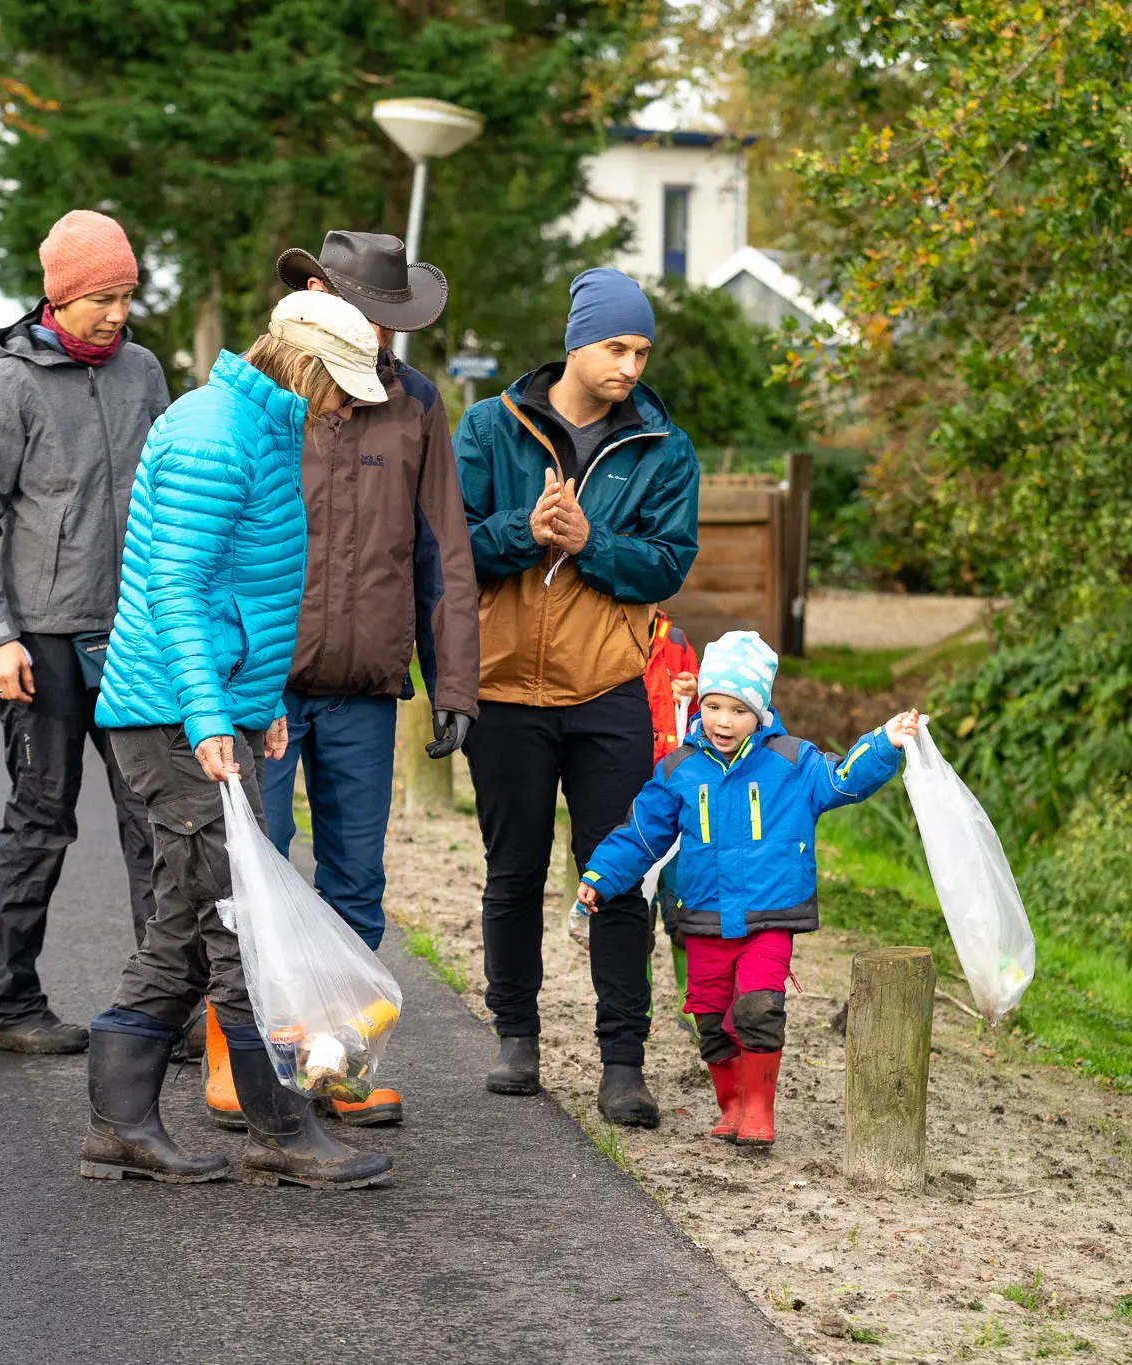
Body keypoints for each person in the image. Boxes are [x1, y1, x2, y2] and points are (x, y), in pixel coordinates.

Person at [81, 291, 394, 1190]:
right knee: (237, 923)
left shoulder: (259, 426)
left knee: (191, 918)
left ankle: (122, 1123)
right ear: (305, 365)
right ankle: (281, 1129)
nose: (348, 408)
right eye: (343, 386)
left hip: (208, 707)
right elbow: (176, 589)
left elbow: (239, 589)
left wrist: (255, 700)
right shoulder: (213, 432)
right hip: (172, 717)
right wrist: (212, 713)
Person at [196, 232, 479, 1134]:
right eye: (374, 317)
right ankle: (244, 1056)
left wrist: (455, 684)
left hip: (363, 681)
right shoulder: (257, 393)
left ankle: (342, 1058)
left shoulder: (417, 403)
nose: (386, 337)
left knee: (357, 876)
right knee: (254, 868)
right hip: (260, 689)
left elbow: (443, 552)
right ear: (318, 296)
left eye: (397, 322)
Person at [455, 267, 701, 1125]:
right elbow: (449, 549)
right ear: (576, 341)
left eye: (642, 350)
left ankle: (621, 1063)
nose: (631, 365)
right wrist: (525, 532)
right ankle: (515, 1038)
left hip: (607, 691)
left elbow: (669, 562)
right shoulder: (490, 427)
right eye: (616, 347)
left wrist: (591, 541)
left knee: (620, 877)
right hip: (505, 690)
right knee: (514, 871)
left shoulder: (664, 448)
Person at [0, 210, 169, 1054]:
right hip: (42, 642)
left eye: (126, 297)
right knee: (42, 818)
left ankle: (163, 1003)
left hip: (136, 634)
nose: (116, 315)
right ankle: (4, 1003)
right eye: (101, 299)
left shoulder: (143, 372)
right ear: (60, 296)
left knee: (153, 820)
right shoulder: (7, 385)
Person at [577, 631, 919, 1148]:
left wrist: (883, 743)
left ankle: (760, 1109)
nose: (721, 720)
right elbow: (642, 834)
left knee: (758, 1008)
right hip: (706, 918)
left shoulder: (791, 762)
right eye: (712, 706)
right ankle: (731, 1104)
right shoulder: (678, 770)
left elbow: (843, 780)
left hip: (769, 916)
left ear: (759, 711)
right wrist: (600, 876)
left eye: (737, 710)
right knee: (711, 1020)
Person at [642, 607, 697, 988]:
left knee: (685, 903)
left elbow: (706, 714)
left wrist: (695, 692)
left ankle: (689, 1001)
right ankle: (637, 1002)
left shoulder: (676, 641)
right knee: (632, 908)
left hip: (679, 800)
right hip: (633, 797)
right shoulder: (605, 636)